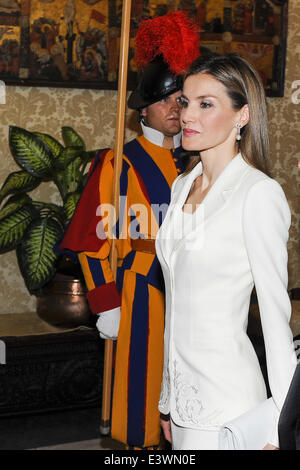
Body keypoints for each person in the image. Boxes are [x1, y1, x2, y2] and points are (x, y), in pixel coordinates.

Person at [58, 12, 200, 449]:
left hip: (193, 290)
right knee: (140, 393)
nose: (177, 110)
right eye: (167, 101)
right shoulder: (119, 163)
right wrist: (105, 303)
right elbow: (95, 242)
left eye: (184, 100)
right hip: (141, 291)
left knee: (188, 392)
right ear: (143, 108)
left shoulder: (197, 162)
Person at [155, 53, 296, 450]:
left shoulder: (258, 194)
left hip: (228, 404)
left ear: (242, 115)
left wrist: (278, 427)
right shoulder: (182, 185)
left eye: (206, 104)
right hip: (183, 405)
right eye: (185, 101)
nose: (186, 115)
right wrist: (169, 401)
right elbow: (176, 306)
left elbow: (274, 318)